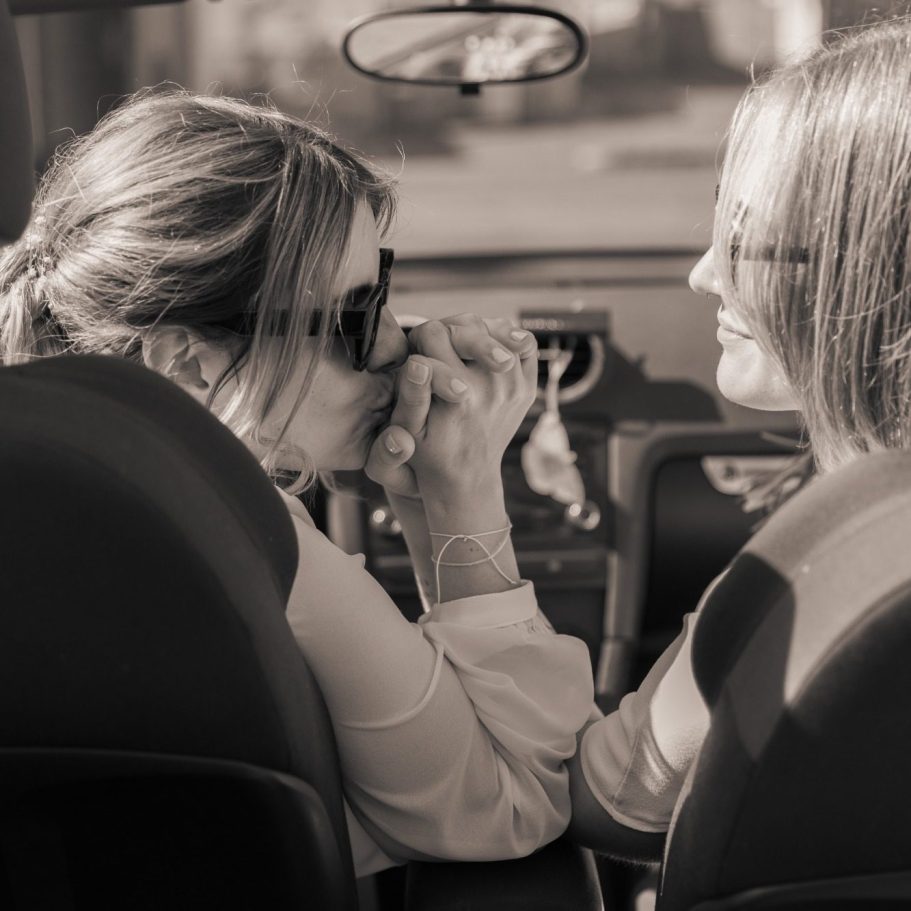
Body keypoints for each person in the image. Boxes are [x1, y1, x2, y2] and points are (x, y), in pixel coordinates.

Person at [0, 90, 595, 876]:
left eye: (383, 293)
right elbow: (513, 805)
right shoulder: (248, 536)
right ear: (186, 362)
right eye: (354, 317)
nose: (394, 344)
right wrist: (460, 488)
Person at [568, 16, 911, 856]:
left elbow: (599, 804)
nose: (702, 273)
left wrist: (463, 520)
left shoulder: (807, 577)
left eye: (742, 238)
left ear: (861, 263)